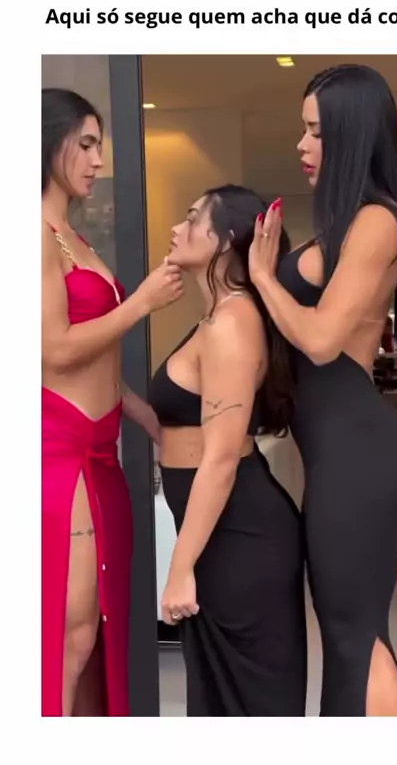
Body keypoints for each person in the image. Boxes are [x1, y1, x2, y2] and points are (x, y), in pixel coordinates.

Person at [248, 65, 397, 717]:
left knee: (354, 634)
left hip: (359, 453)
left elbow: (320, 340)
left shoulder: (378, 220)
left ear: (352, 134)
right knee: (350, 630)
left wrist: (265, 278)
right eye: (303, 129)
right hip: (339, 451)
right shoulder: (345, 224)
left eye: (316, 131)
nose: (302, 144)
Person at [42, 88, 184, 716]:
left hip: (100, 452)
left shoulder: (72, 237)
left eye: (100, 145)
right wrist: (142, 303)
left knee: (95, 635)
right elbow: (53, 351)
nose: (99, 160)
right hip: (60, 453)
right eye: (87, 144)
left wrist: (146, 416)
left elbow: (92, 357)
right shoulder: (31, 234)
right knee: (68, 636)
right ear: (48, 143)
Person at [149, 185, 308, 716]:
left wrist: (179, 566)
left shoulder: (232, 324)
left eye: (192, 219)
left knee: (246, 709)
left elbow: (219, 458)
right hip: (224, 536)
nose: (177, 228)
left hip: (240, 536)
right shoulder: (218, 319)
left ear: (224, 241)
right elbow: (185, 420)